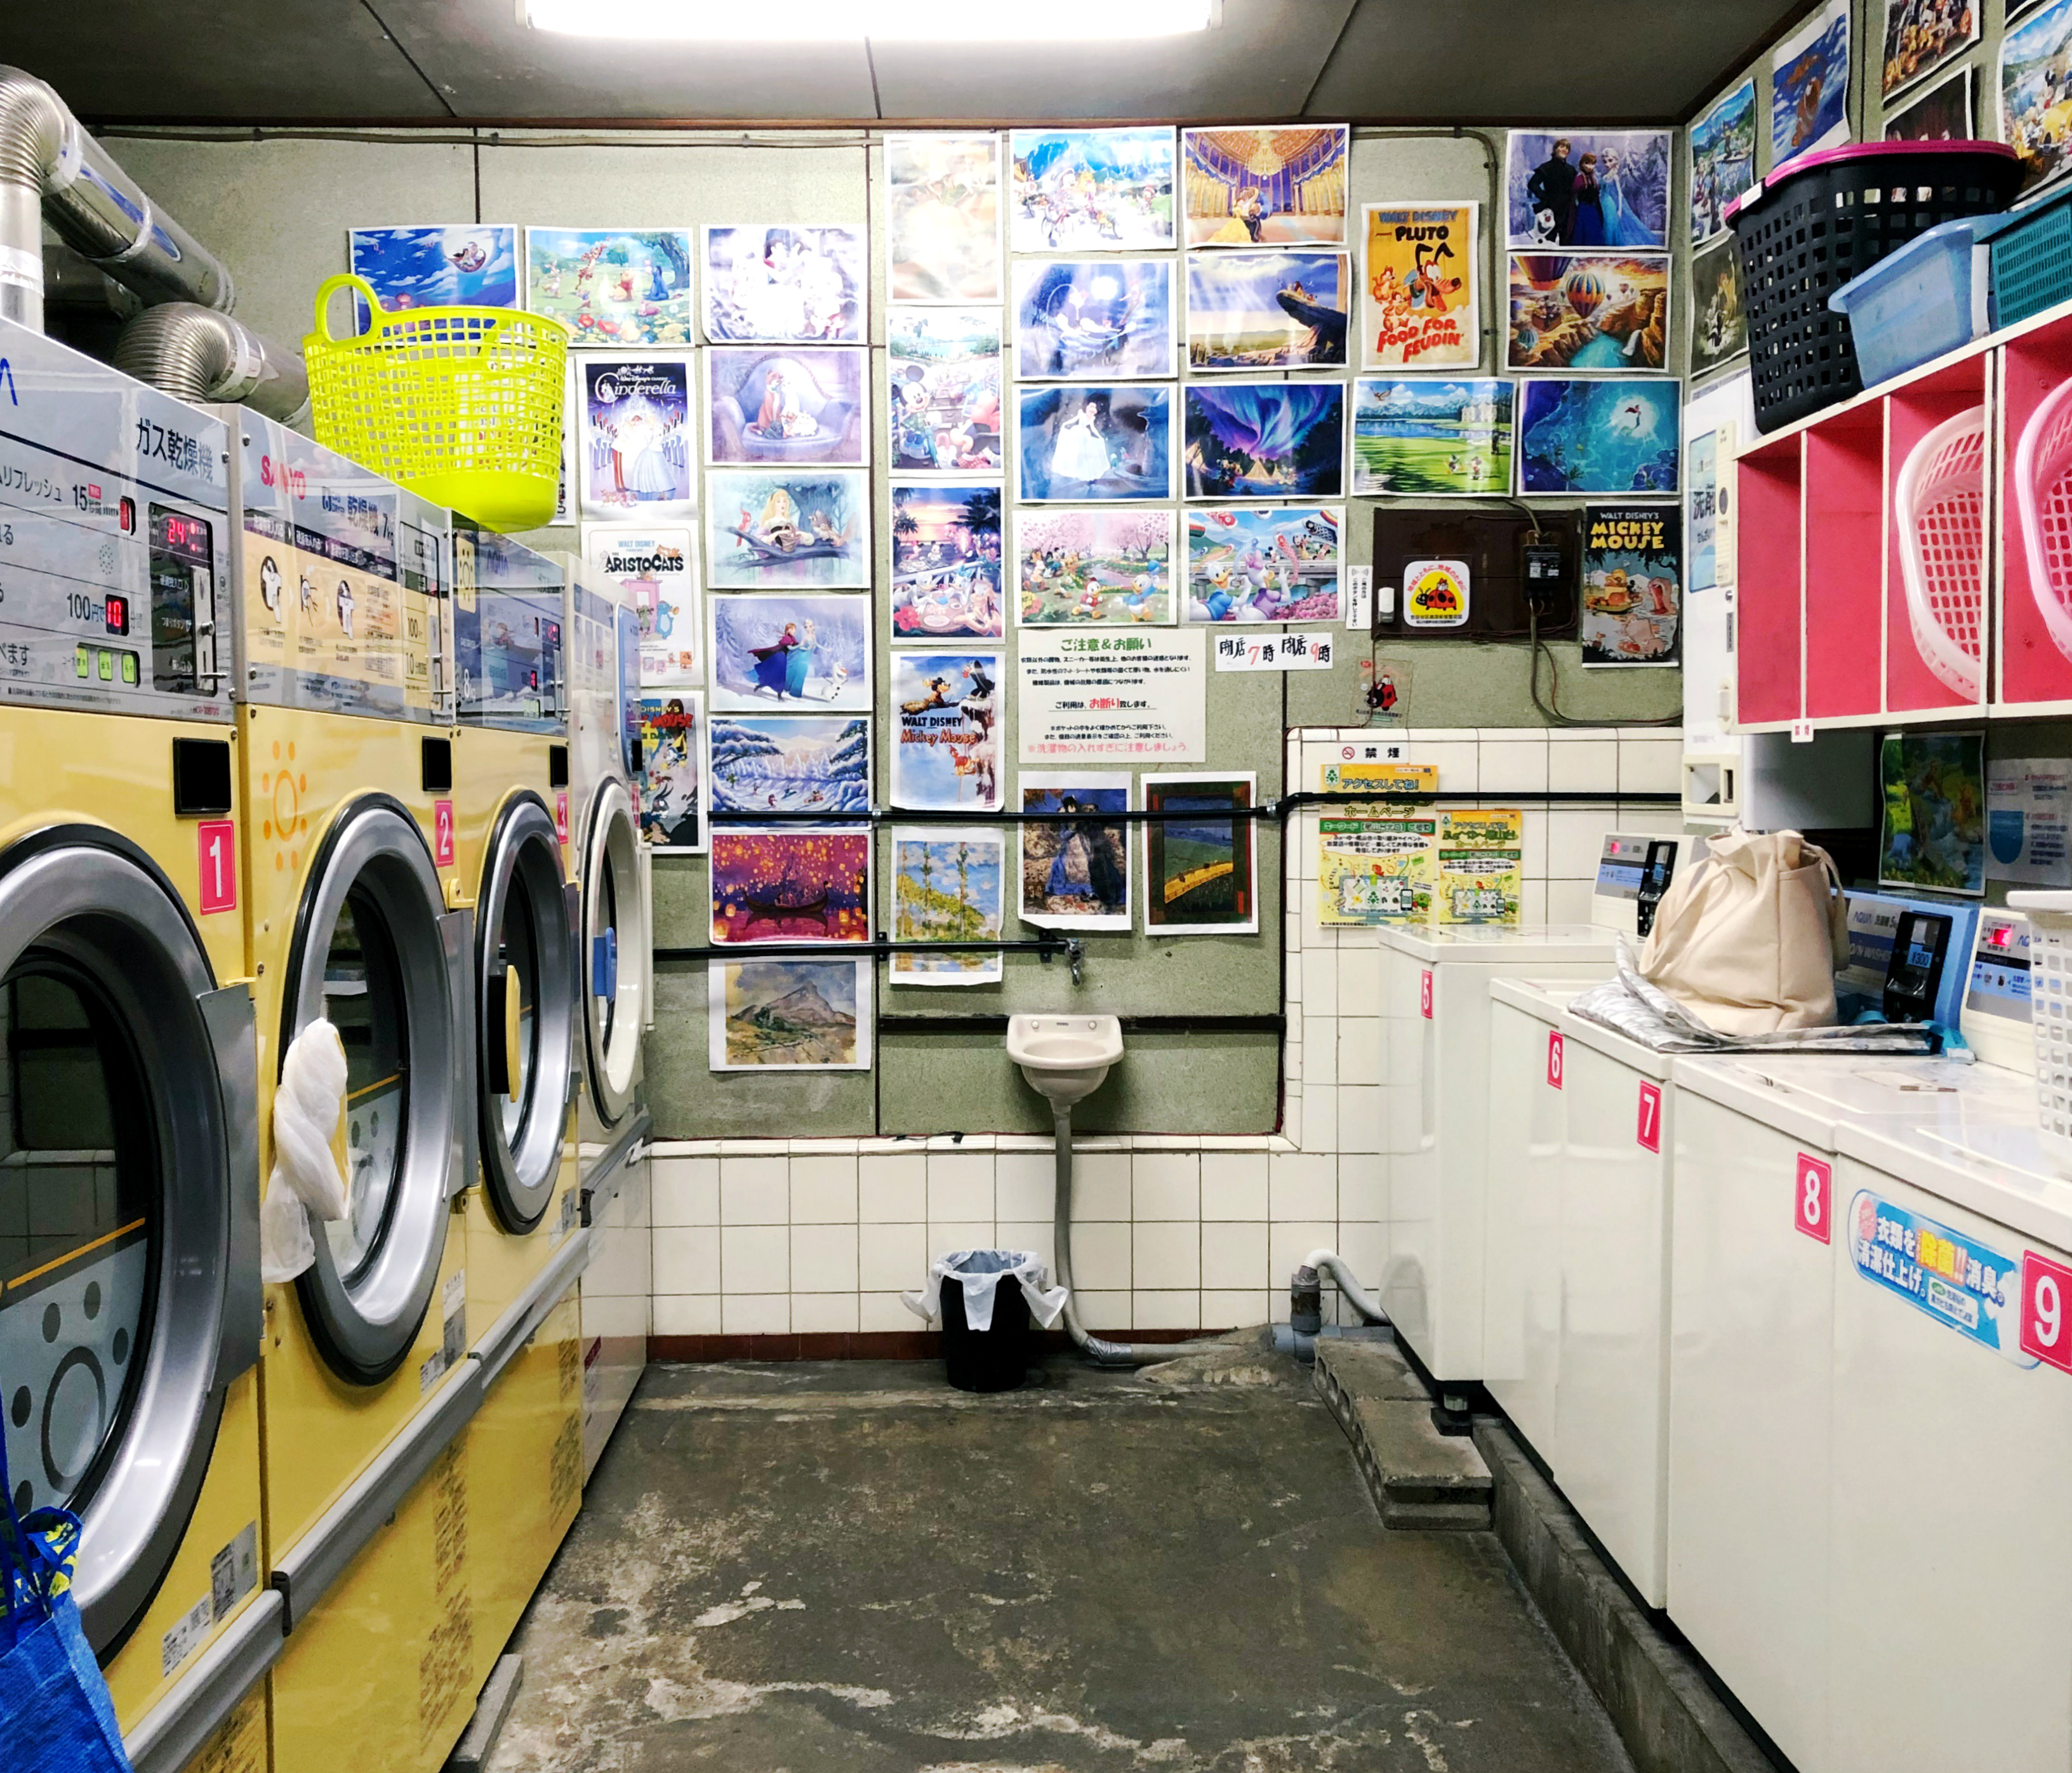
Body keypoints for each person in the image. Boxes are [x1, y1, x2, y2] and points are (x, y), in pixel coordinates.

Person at [1526, 138, 1580, 245]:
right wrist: (1544, 197)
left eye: (1567, 148)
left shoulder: (1571, 170)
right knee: (1549, 242)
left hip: (1568, 209)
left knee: (1567, 241)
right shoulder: (1546, 167)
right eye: (1562, 147)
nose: (1564, 149)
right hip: (1552, 208)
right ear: (1555, 149)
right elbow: (1533, 184)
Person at [1571, 153, 1607, 246]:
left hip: (1593, 209)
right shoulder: (1579, 179)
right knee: (1583, 232)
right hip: (1583, 209)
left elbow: (1596, 195)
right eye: (1587, 163)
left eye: (1592, 164)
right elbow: (1574, 195)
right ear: (1582, 164)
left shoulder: (1594, 179)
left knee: (1595, 232)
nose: (1590, 167)